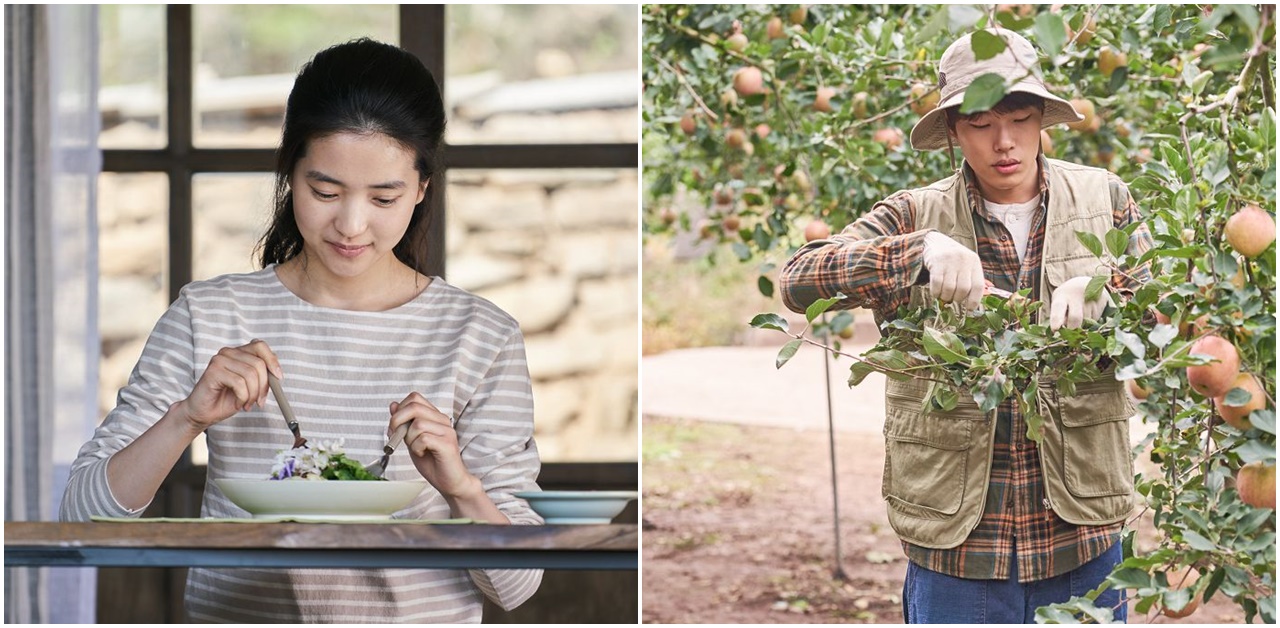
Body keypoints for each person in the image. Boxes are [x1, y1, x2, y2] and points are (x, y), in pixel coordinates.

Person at [61, 38, 543, 622]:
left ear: (421, 189)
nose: (352, 224)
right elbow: (80, 520)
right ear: (290, 174)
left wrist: (461, 487)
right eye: (326, 191)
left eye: (384, 196)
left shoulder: (478, 335)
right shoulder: (212, 314)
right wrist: (184, 418)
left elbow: (518, 585)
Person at [780, 28, 1152, 624]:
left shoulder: (1105, 200)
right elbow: (797, 280)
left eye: (1021, 119)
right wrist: (916, 253)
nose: (1004, 143)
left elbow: (1170, 308)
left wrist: (1110, 288)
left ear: (1041, 121)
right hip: (957, 551)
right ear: (953, 130)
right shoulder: (913, 213)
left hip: (1081, 536)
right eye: (980, 126)